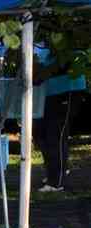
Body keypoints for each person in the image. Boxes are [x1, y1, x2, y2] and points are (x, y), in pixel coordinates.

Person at [33, 43, 86, 192]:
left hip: (66, 88)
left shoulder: (68, 32)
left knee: (55, 135)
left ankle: (57, 181)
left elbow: (69, 59)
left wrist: (44, 72)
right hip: (49, 91)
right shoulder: (43, 35)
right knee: (41, 134)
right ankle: (54, 172)